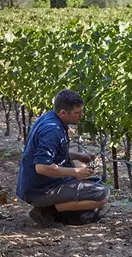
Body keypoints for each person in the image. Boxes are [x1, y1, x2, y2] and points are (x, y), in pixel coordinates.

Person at [16, 89, 109, 228]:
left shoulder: (51, 119)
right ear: (63, 113)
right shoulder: (52, 130)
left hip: (37, 184)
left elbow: (55, 153)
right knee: (102, 195)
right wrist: (75, 172)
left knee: (92, 182)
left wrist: (78, 156)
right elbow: (41, 167)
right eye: (77, 113)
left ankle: (55, 209)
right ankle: (46, 211)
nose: (80, 116)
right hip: (40, 189)